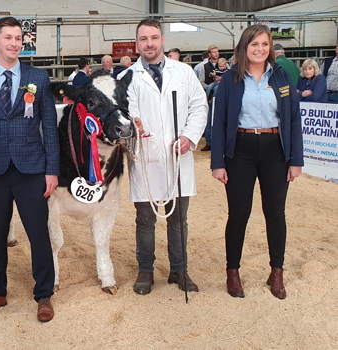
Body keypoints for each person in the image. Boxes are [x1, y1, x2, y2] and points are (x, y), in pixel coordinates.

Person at [0, 16, 59, 322]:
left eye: (19, 38)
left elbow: (50, 127)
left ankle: (44, 295)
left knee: (38, 234)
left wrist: (52, 170)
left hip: (31, 167)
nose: (14, 43)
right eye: (8, 38)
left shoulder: (39, 78)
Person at [211, 24, 303, 300]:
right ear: (245, 47)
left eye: (265, 44)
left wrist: (295, 159)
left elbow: (294, 120)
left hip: (276, 150)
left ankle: (276, 272)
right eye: (254, 44)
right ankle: (233, 272)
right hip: (241, 150)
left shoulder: (282, 76)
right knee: (239, 214)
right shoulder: (230, 80)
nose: (260, 49)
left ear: (270, 47)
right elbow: (220, 122)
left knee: (275, 214)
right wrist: (218, 162)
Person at [119, 18, 207, 295]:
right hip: (144, 156)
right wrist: (131, 130)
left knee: (178, 219)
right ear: (137, 43)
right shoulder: (126, 78)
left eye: (154, 37)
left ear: (162, 40)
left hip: (177, 155)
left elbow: (199, 106)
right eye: (144, 39)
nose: (149, 43)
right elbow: (121, 116)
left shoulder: (183, 72)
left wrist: (190, 136)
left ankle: (179, 270)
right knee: (145, 219)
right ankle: (145, 271)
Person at [202, 58, 230, 152]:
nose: (221, 67)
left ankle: (213, 99)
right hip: (214, 86)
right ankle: (208, 98)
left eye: (222, 65)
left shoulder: (228, 72)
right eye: (220, 66)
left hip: (220, 96)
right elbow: (211, 77)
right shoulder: (212, 69)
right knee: (210, 87)